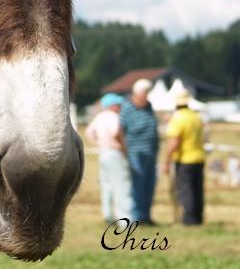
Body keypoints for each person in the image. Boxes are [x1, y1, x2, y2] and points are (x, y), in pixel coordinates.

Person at [162, 86, 206, 225]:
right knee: (197, 189)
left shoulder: (178, 118)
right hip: (199, 157)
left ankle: (189, 219)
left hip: (185, 158)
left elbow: (175, 141)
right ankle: (198, 217)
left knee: (186, 190)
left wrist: (166, 160)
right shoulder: (196, 116)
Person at [85, 93, 132, 223]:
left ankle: (108, 216)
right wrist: (123, 148)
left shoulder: (99, 117)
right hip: (115, 152)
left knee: (107, 186)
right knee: (121, 185)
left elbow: (89, 132)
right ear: (112, 106)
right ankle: (125, 220)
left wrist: (99, 143)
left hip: (103, 153)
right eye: (118, 104)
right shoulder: (116, 117)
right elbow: (117, 133)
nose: (120, 106)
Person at [120, 78, 159, 223]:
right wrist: (126, 152)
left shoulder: (149, 107)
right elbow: (121, 131)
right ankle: (137, 217)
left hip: (151, 153)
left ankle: (146, 216)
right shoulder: (127, 108)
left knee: (149, 186)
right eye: (145, 93)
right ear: (137, 93)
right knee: (138, 187)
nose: (147, 96)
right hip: (136, 154)